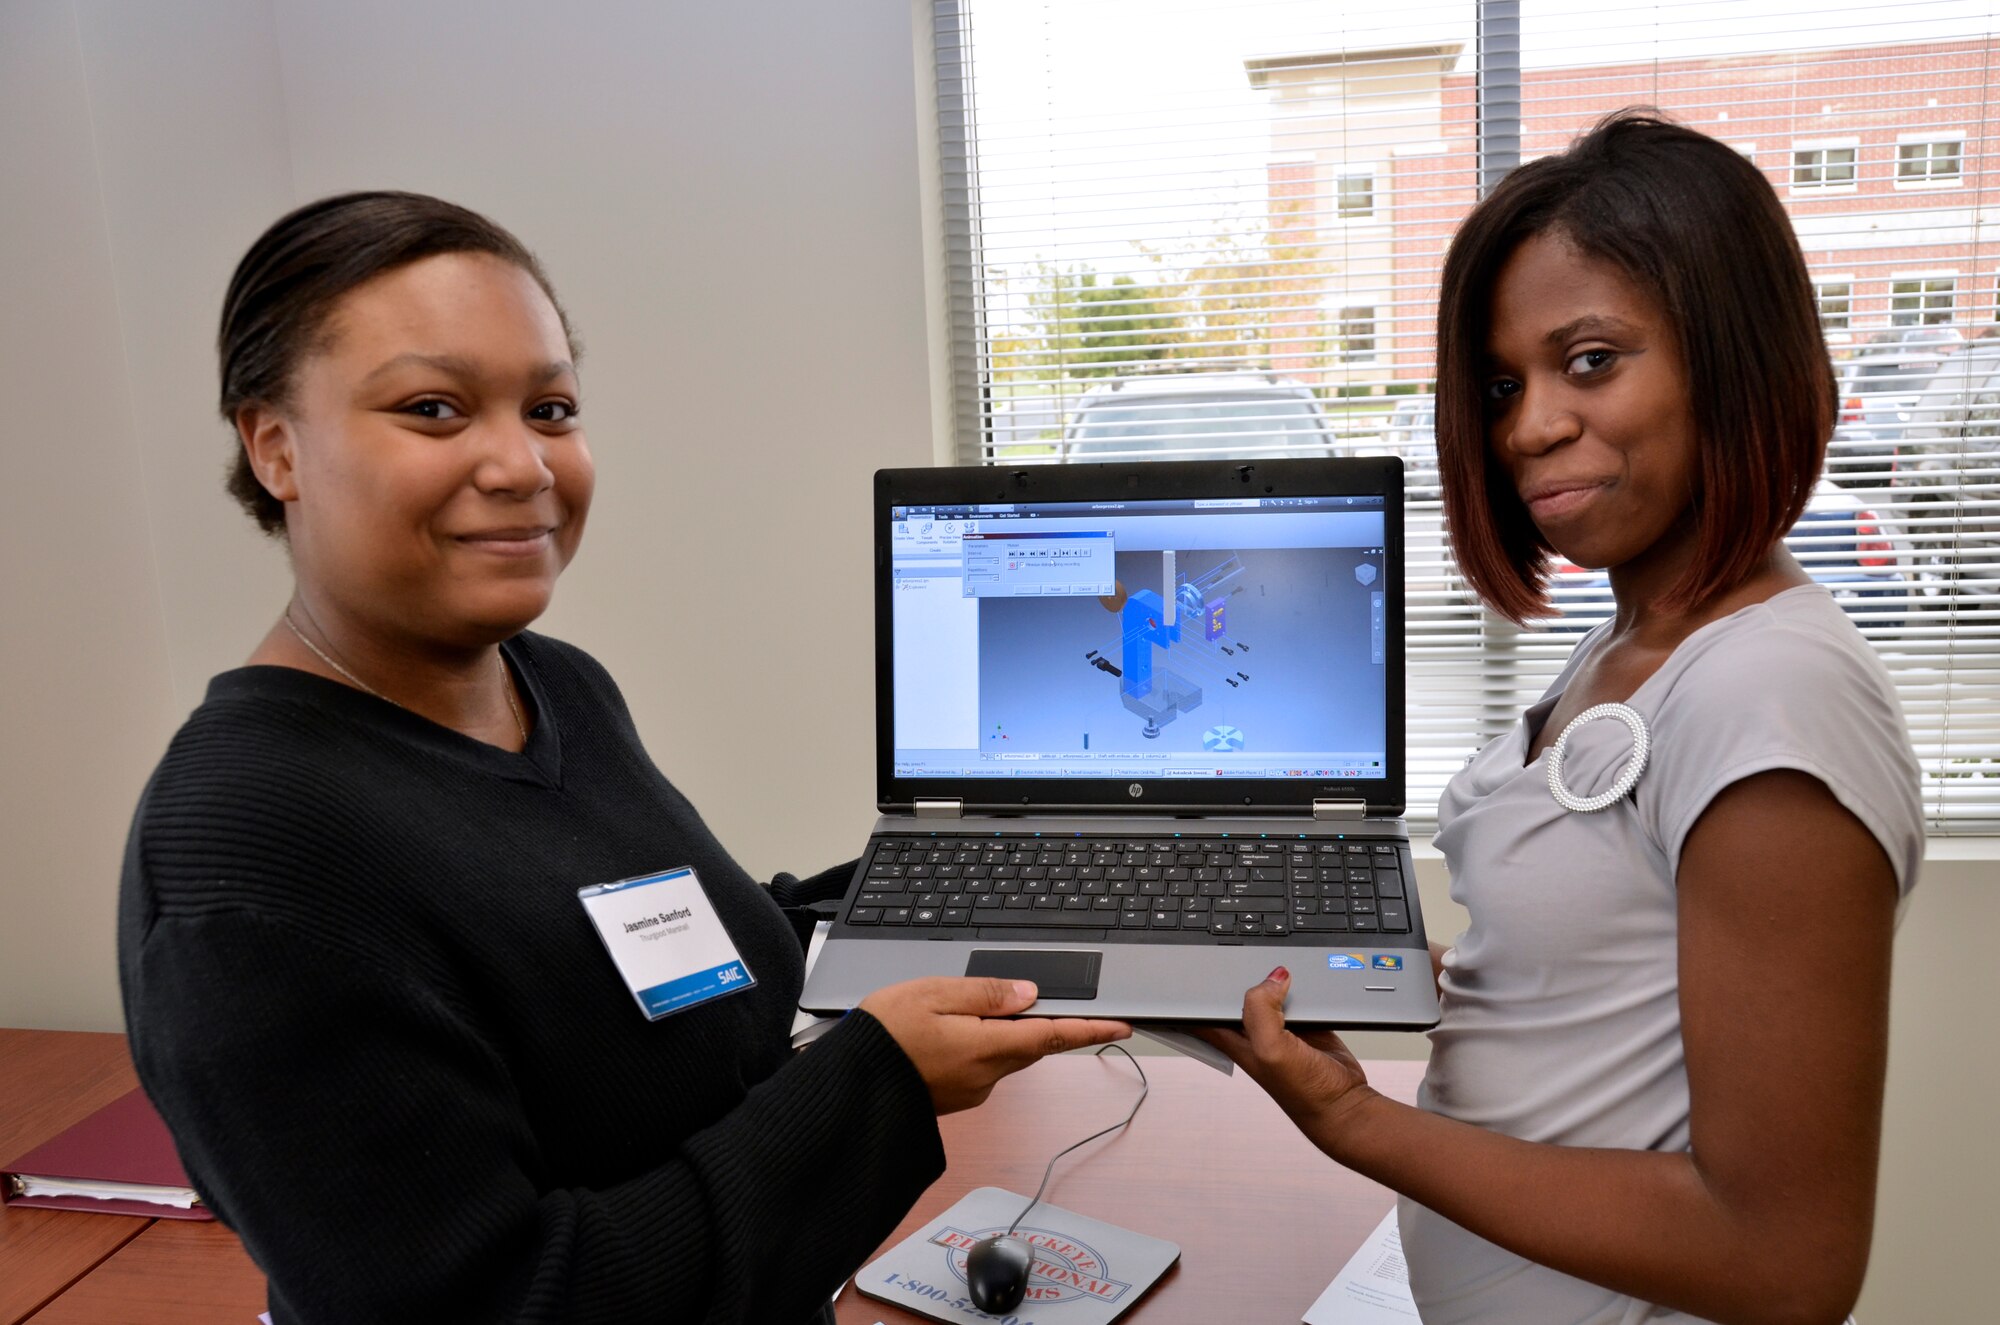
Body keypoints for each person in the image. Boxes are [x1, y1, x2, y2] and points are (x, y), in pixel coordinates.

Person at [117, 191, 1131, 1325]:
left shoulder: (552, 684)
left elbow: (650, 954)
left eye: (549, 407)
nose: (519, 463)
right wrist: (877, 1082)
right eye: (435, 408)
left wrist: (968, 887)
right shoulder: (252, 863)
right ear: (275, 447)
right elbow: (517, 1301)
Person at [1197, 113, 1921, 1325]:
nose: (1527, 424)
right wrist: (1376, 984)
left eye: (1588, 359)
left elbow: (1783, 1261)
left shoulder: (1767, 690)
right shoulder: (1634, 639)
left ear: (1733, 358)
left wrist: (1350, 1117)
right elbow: (1604, 977)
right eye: (1499, 383)